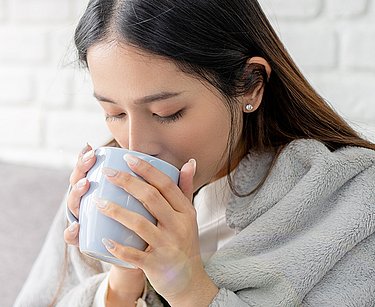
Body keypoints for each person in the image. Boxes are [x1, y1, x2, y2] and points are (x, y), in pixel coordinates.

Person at [15, 0, 375, 306]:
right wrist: (123, 279)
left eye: (166, 113)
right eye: (115, 113)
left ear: (249, 85)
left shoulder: (347, 200)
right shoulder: (99, 187)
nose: (136, 146)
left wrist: (190, 289)